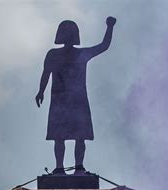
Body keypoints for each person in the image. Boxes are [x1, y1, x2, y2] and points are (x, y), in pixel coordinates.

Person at [35, 17, 116, 175]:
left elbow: (104, 46)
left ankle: (77, 167)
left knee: (79, 136)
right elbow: (45, 74)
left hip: (76, 101)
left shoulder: (80, 54)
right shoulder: (55, 54)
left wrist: (110, 27)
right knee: (60, 137)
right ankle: (60, 168)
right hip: (61, 101)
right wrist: (41, 91)